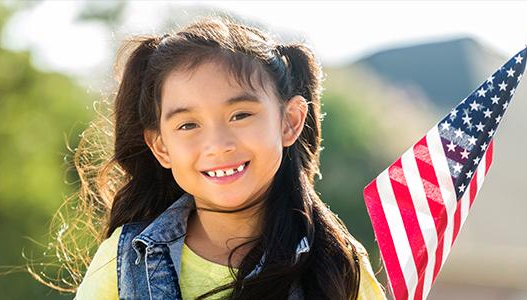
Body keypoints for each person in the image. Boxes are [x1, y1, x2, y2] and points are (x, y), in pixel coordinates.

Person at [72, 16, 387, 300]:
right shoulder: (125, 260)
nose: (217, 145)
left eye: (240, 115)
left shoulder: (337, 263)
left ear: (289, 121)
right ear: (161, 147)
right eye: (188, 125)